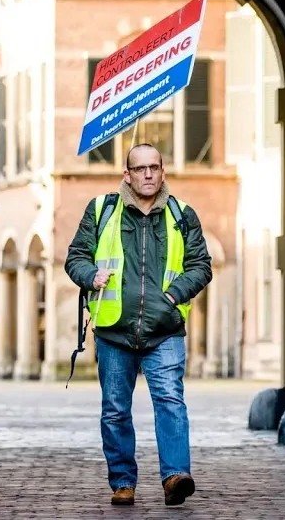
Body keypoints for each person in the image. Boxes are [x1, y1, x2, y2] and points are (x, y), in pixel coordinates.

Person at [64, 142, 213, 507]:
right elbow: (75, 257)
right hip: (114, 330)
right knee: (115, 409)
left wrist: (173, 297)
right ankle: (123, 481)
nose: (148, 174)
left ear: (163, 171)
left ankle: (175, 476)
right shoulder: (102, 211)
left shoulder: (182, 214)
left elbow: (201, 265)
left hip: (164, 330)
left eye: (154, 167)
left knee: (170, 401)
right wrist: (89, 275)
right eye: (139, 168)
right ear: (126, 175)